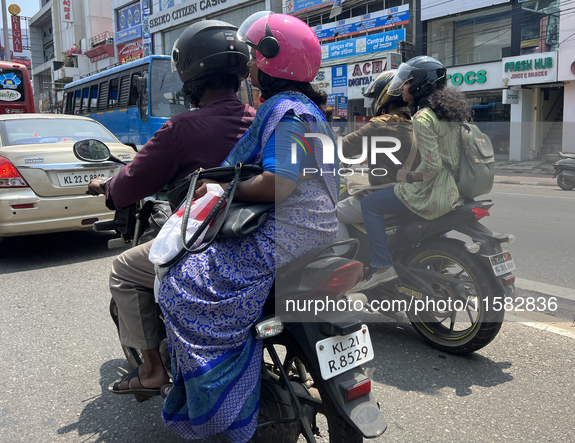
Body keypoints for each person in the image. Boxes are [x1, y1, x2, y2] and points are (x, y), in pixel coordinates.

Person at [156, 11, 338, 442]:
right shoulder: (311, 108)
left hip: (290, 231)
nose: (249, 67)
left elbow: (279, 183)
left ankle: (222, 402)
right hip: (322, 228)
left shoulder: (284, 110)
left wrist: (226, 191)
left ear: (271, 62)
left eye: (254, 56)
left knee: (180, 283)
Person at [87, 20, 257, 397]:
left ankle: (150, 370)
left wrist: (108, 188)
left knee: (123, 269)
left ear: (190, 76)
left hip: (206, 242)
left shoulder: (181, 128)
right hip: (258, 239)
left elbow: (132, 180)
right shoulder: (263, 121)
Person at [357, 56, 473, 290]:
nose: (402, 88)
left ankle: (381, 268)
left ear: (420, 85)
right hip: (452, 189)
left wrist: (407, 177)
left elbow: (431, 166)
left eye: (407, 83)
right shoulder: (448, 114)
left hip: (431, 190)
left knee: (369, 204)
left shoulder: (422, 117)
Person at [336, 69, 417, 239]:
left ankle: (341, 262)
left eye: (375, 98)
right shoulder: (415, 121)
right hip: (411, 193)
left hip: (386, 194)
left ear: (384, 97)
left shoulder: (381, 125)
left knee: (331, 214)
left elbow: (342, 149)